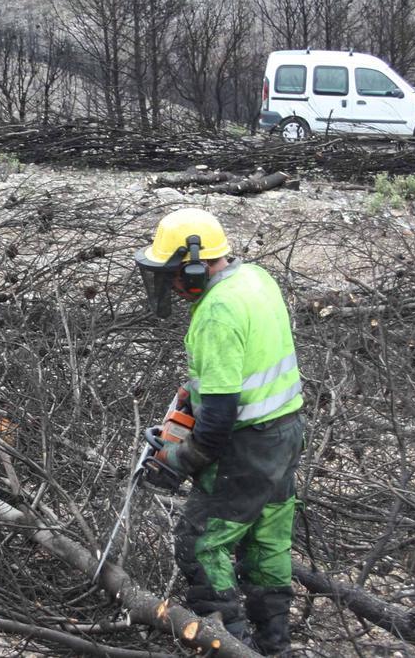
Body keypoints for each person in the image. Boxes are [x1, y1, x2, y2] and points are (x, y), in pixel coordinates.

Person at [132, 207, 304, 655]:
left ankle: (229, 644)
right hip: (286, 433)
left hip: (246, 445)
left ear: (193, 264)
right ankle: (273, 645)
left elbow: (218, 423)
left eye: (173, 273)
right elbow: (247, 364)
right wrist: (197, 390)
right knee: (267, 541)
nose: (170, 282)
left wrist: (180, 457)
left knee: (200, 540)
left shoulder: (216, 312)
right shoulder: (256, 279)